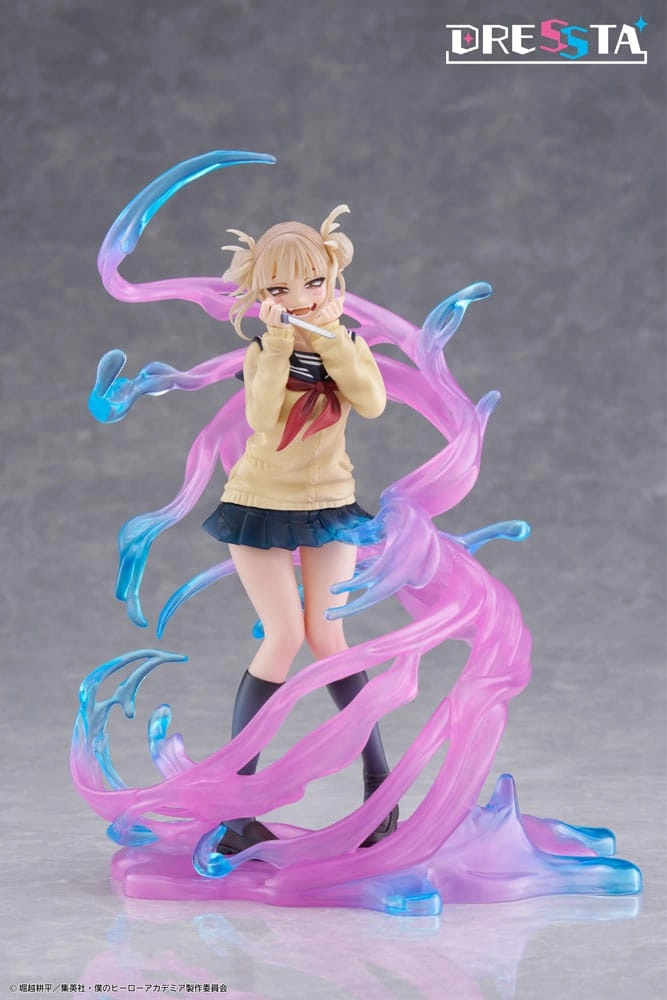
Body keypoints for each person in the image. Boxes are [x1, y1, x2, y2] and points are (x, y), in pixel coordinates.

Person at [201, 205, 399, 854]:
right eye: (281, 287)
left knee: (329, 636)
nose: (301, 296)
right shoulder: (263, 351)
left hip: (330, 503)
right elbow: (262, 418)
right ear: (262, 294)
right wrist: (282, 341)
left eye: (313, 281)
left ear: (331, 277)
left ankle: (380, 789)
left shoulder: (347, 343)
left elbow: (371, 401)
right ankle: (236, 814)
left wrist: (331, 338)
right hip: (258, 501)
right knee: (283, 635)